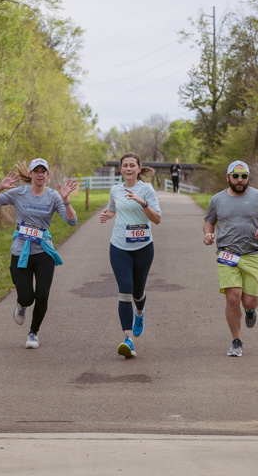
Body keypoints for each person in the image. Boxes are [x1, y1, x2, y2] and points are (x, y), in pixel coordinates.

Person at [0, 158, 78, 350]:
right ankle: (21, 305)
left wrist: (66, 201)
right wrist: (1, 186)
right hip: (21, 251)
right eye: (36, 171)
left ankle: (33, 333)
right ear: (31, 174)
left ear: (47, 175)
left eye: (44, 171)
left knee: (42, 295)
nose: (40, 174)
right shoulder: (19, 193)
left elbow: (72, 222)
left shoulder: (53, 196)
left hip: (44, 252)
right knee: (27, 297)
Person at [203, 160, 258, 357]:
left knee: (250, 301)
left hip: (252, 254)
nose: (239, 180)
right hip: (227, 254)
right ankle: (236, 340)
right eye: (235, 176)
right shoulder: (217, 200)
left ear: (248, 178)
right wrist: (208, 234)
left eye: (243, 176)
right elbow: (209, 221)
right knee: (232, 298)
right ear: (228, 177)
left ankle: (251, 312)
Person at [100, 152, 161, 359]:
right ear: (120, 169)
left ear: (138, 168)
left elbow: (157, 219)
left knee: (138, 291)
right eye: (125, 165)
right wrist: (106, 215)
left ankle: (140, 313)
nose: (128, 168)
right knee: (124, 290)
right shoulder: (115, 190)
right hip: (119, 246)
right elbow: (112, 210)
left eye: (132, 165)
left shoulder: (146, 189)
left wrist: (142, 203)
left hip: (144, 247)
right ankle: (128, 339)